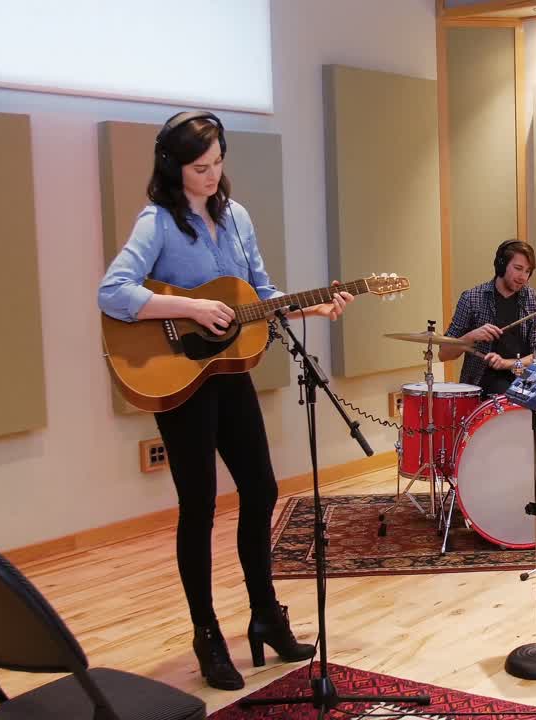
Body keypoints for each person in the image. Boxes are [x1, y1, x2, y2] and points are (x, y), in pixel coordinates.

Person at [98, 111, 352, 690]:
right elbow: (113, 292)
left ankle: (265, 614)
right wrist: (189, 308)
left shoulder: (236, 218)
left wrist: (313, 305)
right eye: (199, 167)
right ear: (174, 167)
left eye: (217, 163)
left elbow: (258, 295)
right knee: (201, 504)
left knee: (261, 489)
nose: (212, 175)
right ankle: (207, 634)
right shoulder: (157, 221)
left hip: (229, 370)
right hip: (179, 380)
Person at [440, 240, 536, 397]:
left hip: (523, 384)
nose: (523, 277)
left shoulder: (533, 300)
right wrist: (471, 337)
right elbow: (444, 354)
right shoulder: (472, 298)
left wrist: (505, 364)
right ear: (501, 265)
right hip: (480, 387)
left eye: (527, 271)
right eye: (518, 269)